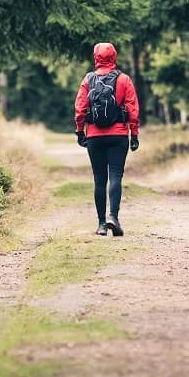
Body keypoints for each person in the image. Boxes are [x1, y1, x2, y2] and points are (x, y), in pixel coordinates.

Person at [74, 43, 140, 236]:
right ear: (114, 56)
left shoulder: (88, 79)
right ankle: (114, 216)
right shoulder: (124, 79)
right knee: (116, 176)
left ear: (96, 57)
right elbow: (133, 110)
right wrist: (134, 134)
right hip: (118, 135)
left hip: (95, 135)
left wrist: (80, 131)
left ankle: (102, 224)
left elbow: (80, 109)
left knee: (99, 180)